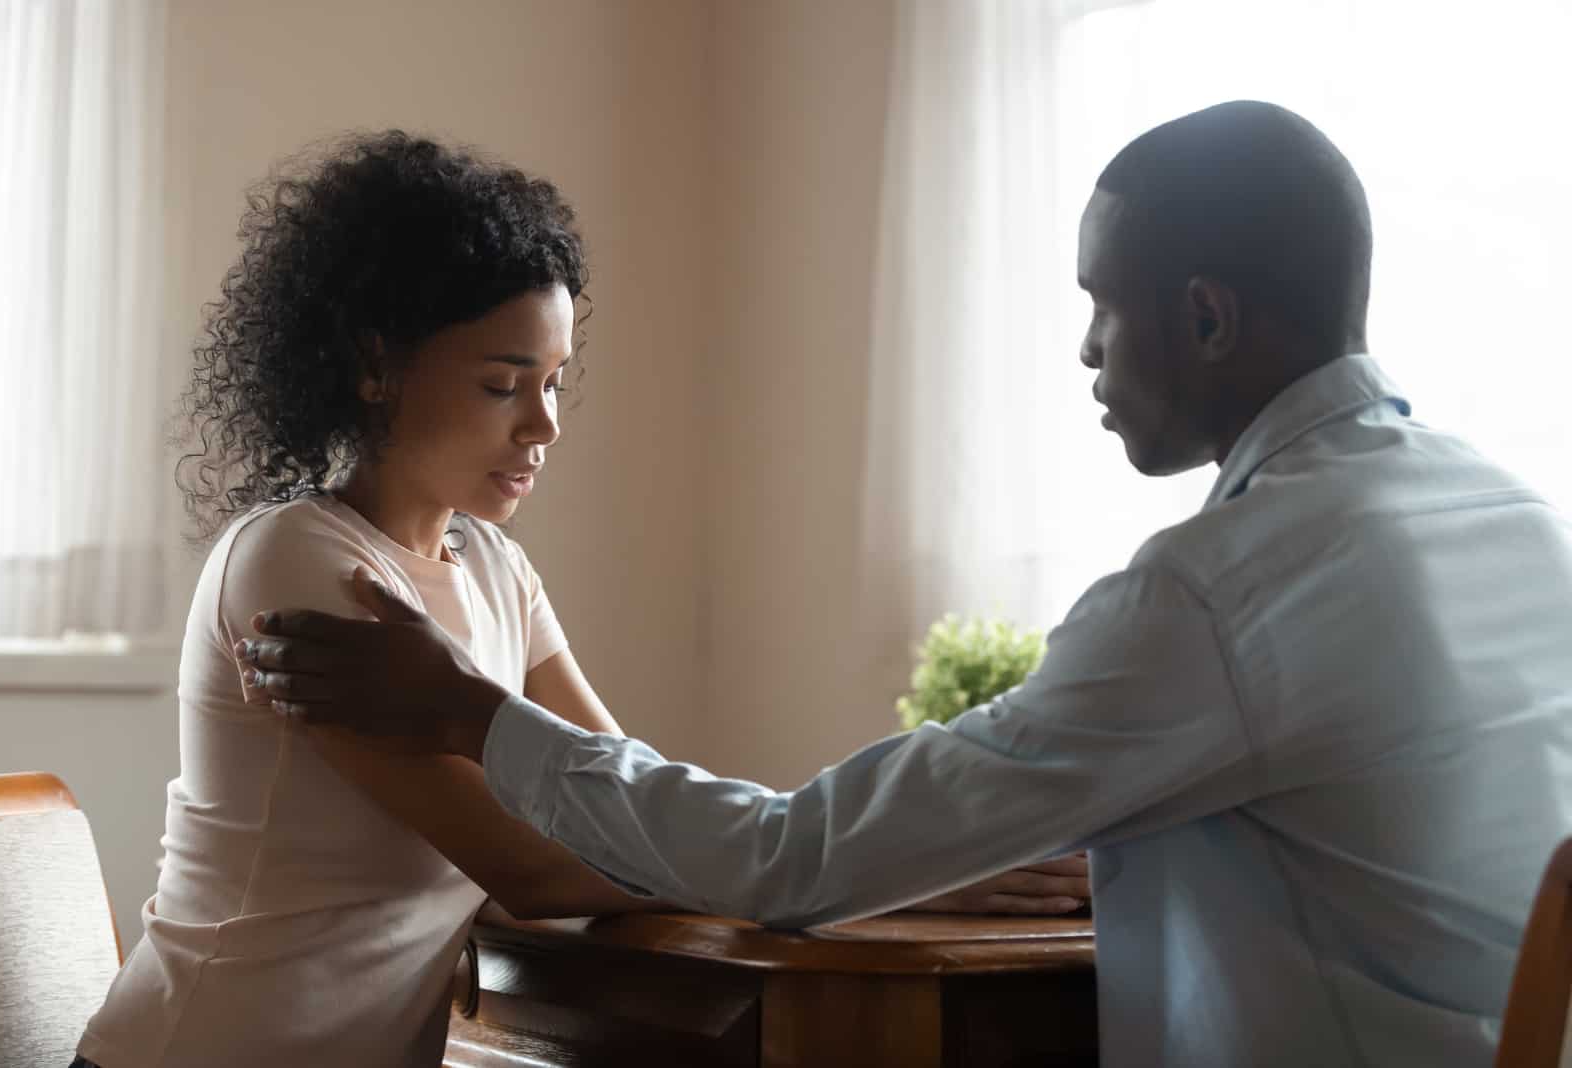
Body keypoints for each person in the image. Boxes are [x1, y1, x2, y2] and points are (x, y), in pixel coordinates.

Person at [242, 101, 1572, 1068]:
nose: (1089, 351)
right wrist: (983, 849)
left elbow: (789, 860)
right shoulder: (1520, 525)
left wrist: (470, 715)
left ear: (1209, 319)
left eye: (1106, 304)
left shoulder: (1214, 596)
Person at [74, 130, 1083, 1068]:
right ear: (375, 365)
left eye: (554, 382)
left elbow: (624, 800)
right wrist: (868, 877)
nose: (543, 426)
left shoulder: (498, 570)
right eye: (502, 385)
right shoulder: (299, 563)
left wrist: (858, 861)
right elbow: (532, 867)